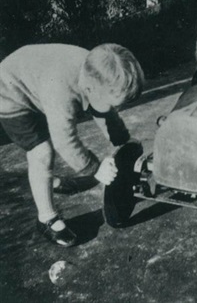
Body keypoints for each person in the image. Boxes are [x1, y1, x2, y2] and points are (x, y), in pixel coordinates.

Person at [0, 43, 144, 247]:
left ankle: (54, 183)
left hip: (36, 81)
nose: (117, 109)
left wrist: (123, 141)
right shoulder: (61, 93)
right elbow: (64, 140)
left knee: (97, 109)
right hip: (10, 91)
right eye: (115, 105)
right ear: (89, 89)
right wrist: (95, 168)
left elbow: (105, 113)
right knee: (42, 152)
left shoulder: (95, 71)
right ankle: (46, 218)